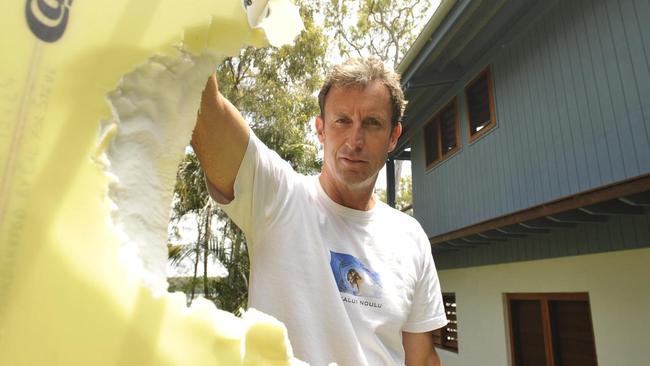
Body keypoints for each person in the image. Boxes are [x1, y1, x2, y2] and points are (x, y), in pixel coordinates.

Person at [191, 57, 447, 366]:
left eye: (372, 123)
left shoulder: (410, 237)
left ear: (393, 136)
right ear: (321, 129)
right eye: (342, 121)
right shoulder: (276, 196)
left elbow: (421, 359)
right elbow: (205, 108)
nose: (355, 140)